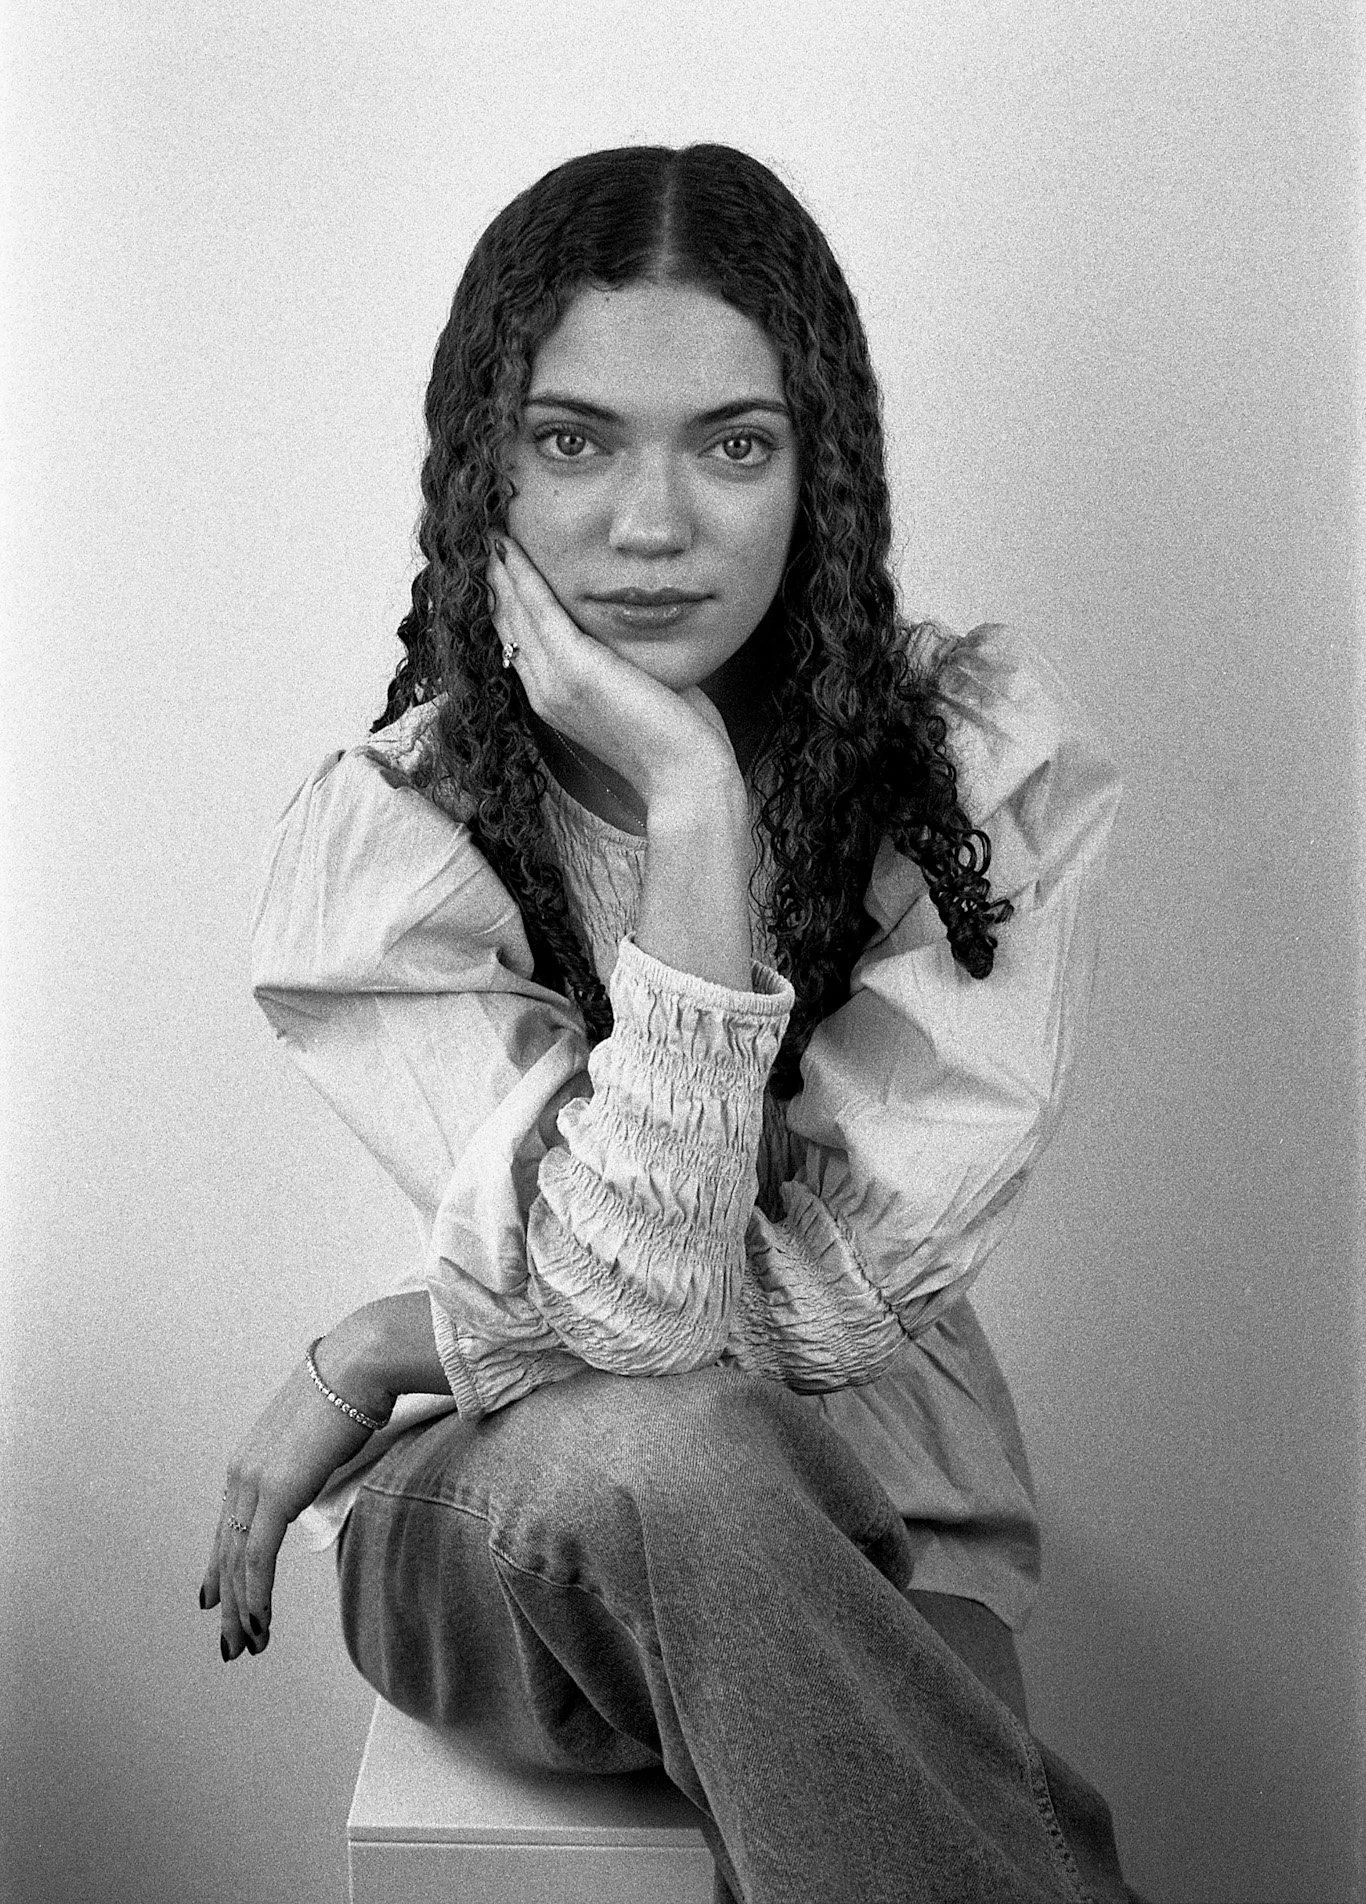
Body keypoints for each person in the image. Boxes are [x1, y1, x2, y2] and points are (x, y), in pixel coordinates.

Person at [200, 144, 1136, 1903]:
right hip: (505, 1533)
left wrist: (411, 1335)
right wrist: (696, 813)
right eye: (574, 441)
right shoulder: (395, 835)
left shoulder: (971, 778)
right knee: (671, 1438)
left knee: (700, 1443)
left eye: (732, 443)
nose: (650, 523)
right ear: (486, 464)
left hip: (887, 1530)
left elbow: (827, 1307)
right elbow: (636, 1337)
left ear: (818, 473)